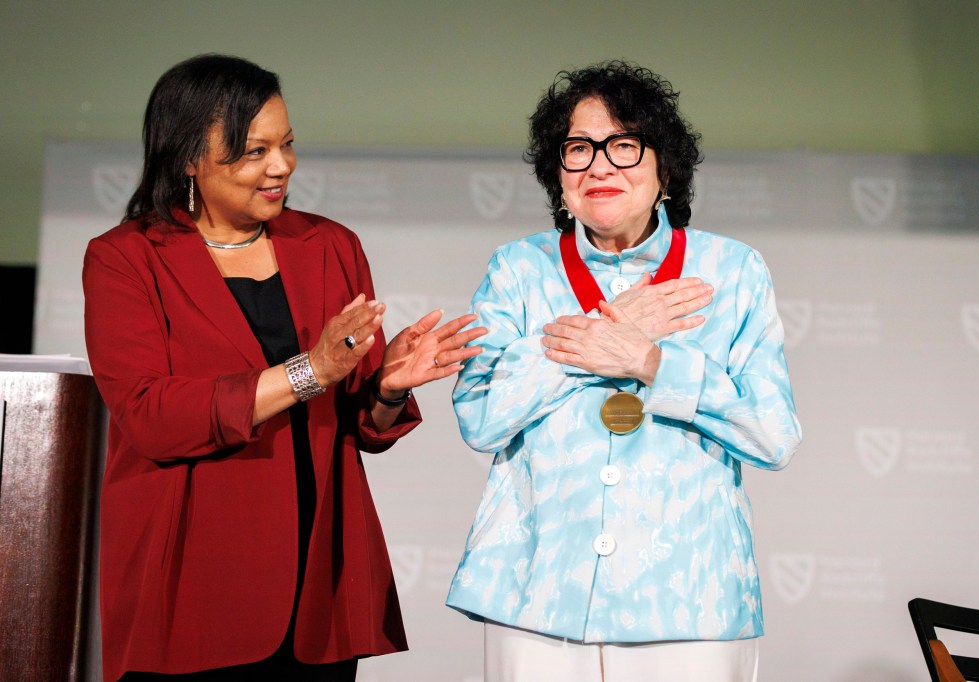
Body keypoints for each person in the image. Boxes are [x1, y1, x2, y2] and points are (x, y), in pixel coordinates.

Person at [83, 54, 485, 681]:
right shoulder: (126, 258)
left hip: (317, 587)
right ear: (188, 156)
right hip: (193, 585)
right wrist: (309, 372)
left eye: (287, 145)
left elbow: (360, 423)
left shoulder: (328, 245)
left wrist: (384, 386)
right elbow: (149, 417)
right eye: (252, 151)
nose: (280, 167)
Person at [446, 61, 802, 681]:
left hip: (689, 604)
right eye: (579, 148)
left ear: (665, 169)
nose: (600, 165)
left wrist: (650, 362)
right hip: (537, 595)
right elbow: (480, 417)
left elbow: (773, 436)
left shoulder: (733, 270)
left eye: (624, 145)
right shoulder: (517, 269)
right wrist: (595, 343)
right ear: (559, 174)